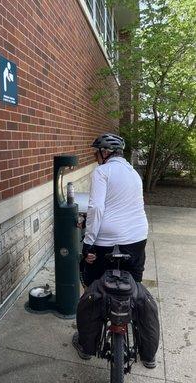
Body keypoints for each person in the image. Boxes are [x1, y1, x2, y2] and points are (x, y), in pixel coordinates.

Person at [73, 133, 156, 369]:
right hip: (137, 238)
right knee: (134, 288)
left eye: (96, 153)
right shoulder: (133, 173)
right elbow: (123, 206)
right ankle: (146, 350)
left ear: (105, 152)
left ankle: (87, 345)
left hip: (106, 240)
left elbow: (97, 208)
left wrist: (88, 244)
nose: (95, 157)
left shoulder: (102, 172)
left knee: (92, 283)